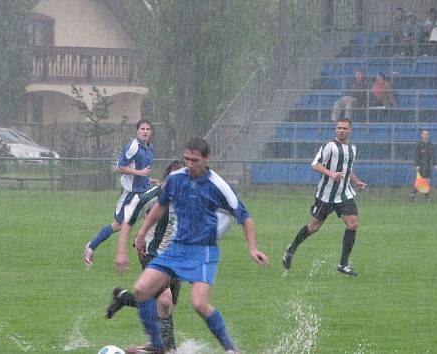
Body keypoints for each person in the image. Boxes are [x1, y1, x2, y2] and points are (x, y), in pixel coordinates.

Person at [123, 137, 268, 354]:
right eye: (187, 159)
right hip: (176, 249)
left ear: (207, 159)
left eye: (195, 160)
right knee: (141, 290)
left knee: (199, 304)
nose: (190, 164)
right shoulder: (176, 179)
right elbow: (159, 207)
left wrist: (252, 248)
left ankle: (231, 349)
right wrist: (141, 234)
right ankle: (156, 345)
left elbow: (245, 217)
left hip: (204, 251)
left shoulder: (218, 186)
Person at [106, 160, 233, 353]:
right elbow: (128, 222)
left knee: (166, 307)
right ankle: (162, 347)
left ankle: (126, 300)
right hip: (151, 253)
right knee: (164, 299)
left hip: (176, 256)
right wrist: (122, 252)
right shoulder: (152, 197)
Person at [282, 118, 367, 277]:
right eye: (339, 128)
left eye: (345, 128)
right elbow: (315, 164)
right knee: (313, 227)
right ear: (336, 129)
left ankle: (343, 264)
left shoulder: (352, 149)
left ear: (350, 130)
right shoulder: (329, 146)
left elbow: (346, 169)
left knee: (353, 224)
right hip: (326, 195)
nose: (341, 130)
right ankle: (290, 250)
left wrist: (356, 181)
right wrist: (331, 174)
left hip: (343, 195)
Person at [83, 119, 157, 266]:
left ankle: (150, 258)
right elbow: (119, 167)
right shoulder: (133, 147)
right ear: (137, 131)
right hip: (130, 194)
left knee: (153, 219)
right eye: (142, 129)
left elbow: (143, 172)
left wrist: (149, 180)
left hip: (144, 191)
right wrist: (140, 173)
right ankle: (91, 246)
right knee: (117, 225)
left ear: (151, 132)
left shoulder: (150, 148)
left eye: (148, 129)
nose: (145, 131)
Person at [409, 130, 437, 202]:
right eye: (424, 134)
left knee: (425, 182)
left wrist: (435, 164)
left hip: (428, 166)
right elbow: (416, 156)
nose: (426, 136)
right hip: (420, 166)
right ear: (422, 135)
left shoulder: (431, 145)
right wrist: (416, 165)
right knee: (423, 181)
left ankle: (413, 194)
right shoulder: (419, 145)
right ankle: (427, 198)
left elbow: (433, 156)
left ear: (429, 136)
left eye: (427, 134)